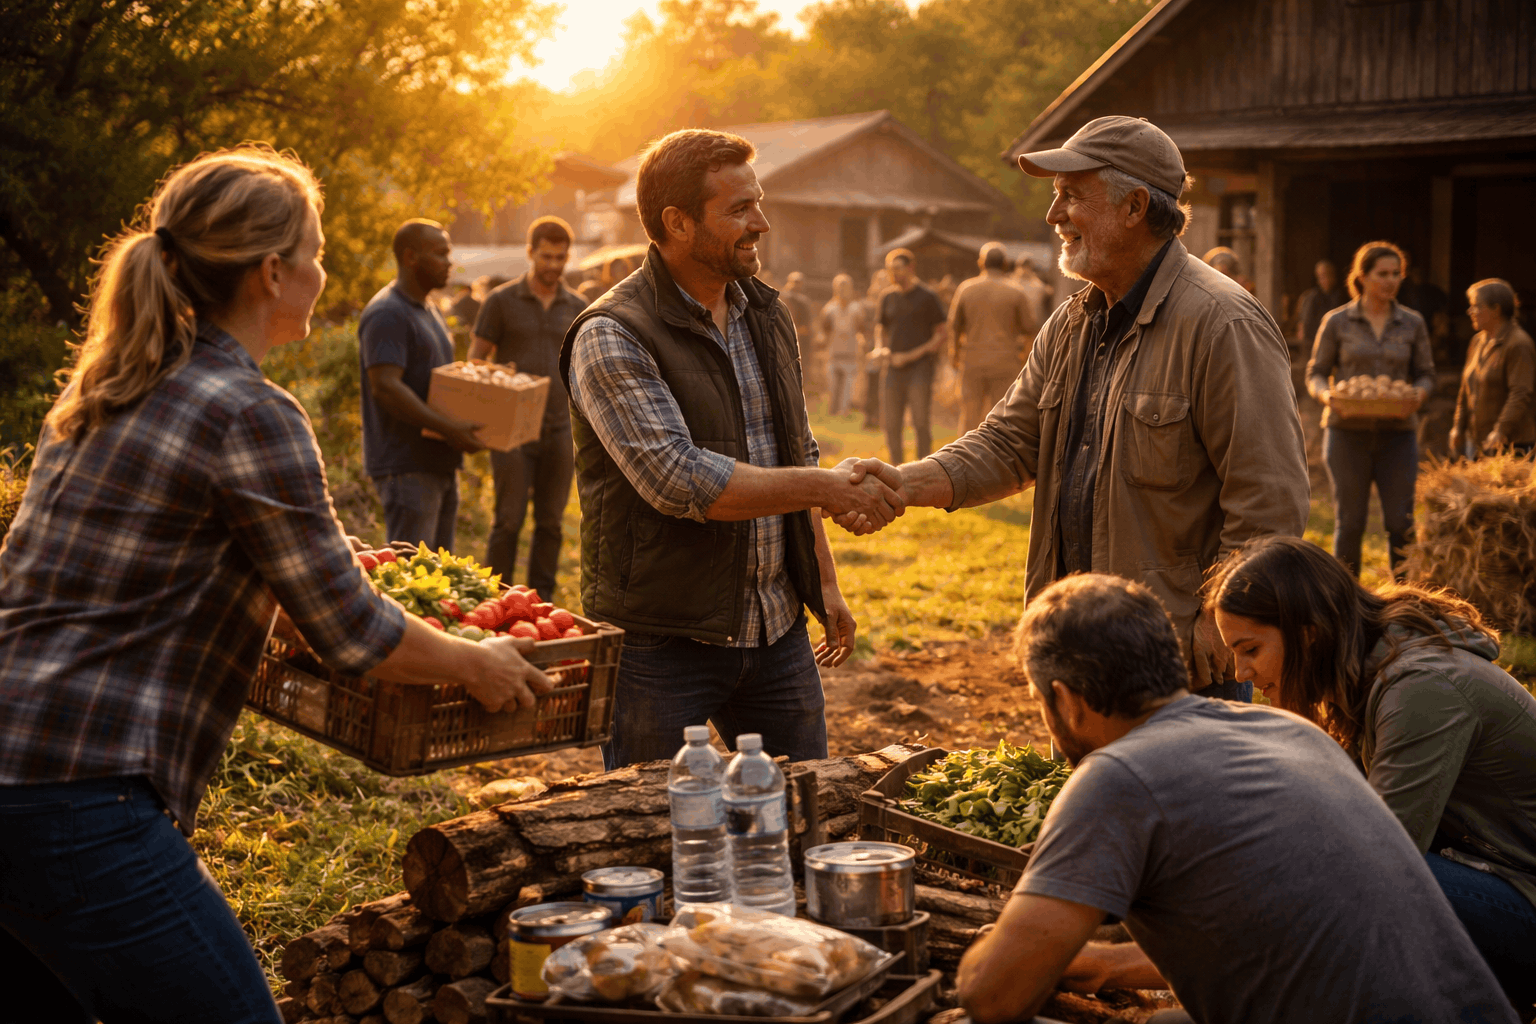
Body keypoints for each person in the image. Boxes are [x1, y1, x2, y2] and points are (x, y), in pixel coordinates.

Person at [0, 147, 551, 1023]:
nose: (322, 272)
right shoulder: (248, 410)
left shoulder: (103, 389)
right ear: (271, 273)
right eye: (316, 252)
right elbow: (353, 632)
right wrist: (477, 663)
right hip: (78, 798)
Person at [846, 116, 1310, 694]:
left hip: (1172, 653)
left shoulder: (1222, 323)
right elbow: (1008, 442)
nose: (1053, 215)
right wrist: (901, 484)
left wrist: (1223, 620)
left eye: (1070, 195)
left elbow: (1270, 499)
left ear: (1135, 207)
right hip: (1073, 639)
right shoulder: (1072, 321)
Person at [953, 573, 1517, 1024]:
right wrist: (1109, 964)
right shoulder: (1289, 732)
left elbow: (993, 998)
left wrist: (983, 952)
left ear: (1066, 700)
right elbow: (1282, 932)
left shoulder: (1118, 776)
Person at [560, 129, 906, 769]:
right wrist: (828, 488)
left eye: (759, 203)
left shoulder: (767, 315)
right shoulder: (612, 334)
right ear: (678, 223)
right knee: (654, 820)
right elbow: (679, 480)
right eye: (740, 209)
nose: (761, 223)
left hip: (776, 629)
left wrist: (824, 583)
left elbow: (795, 452)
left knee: (799, 810)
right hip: (663, 641)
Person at [1208, 535, 1536, 1012]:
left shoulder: (1421, 688)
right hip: (1488, 876)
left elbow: (1379, 859)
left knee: (1355, 880)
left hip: (1523, 894)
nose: (1242, 672)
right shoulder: (1367, 674)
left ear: (1308, 633)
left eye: (1251, 649)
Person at [469, 216, 586, 601]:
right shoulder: (500, 301)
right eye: (546, 257)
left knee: (551, 524)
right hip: (513, 429)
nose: (553, 265)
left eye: (560, 258)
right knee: (508, 520)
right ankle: (493, 599)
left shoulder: (579, 307)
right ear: (530, 252)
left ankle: (541, 605)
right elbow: (476, 361)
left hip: (560, 428)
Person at [1306, 240, 1435, 576]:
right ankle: (1346, 596)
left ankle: (1405, 596)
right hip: (1346, 433)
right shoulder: (1337, 321)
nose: (1391, 281)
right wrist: (1328, 396)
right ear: (1362, 277)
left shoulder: (1412, 323)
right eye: (1382, 274)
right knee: (1349, 523)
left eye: (1396, 274)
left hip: (1398, 434)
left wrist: (1418, 395)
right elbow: (1316, 373)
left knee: (1401, 523)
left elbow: (1426, 374)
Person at [359, 219, 484, 551]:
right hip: (407, 467)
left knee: (439, 574)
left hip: (439, 462)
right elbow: (386, 387)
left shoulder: (430, 310)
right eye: (440, 253)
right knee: (413, 572)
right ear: (410, 257)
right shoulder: (387, 313)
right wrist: (449, 428)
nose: (449, 262)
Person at [949, 242, 1037, 434]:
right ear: (1005, 264)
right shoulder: (1015, 291)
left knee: (970, 417)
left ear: (981, 263)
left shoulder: (966, 289)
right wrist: (1025, 358)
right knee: (1002, 419)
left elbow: (954, 327)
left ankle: (966, 453)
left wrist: (954, 355)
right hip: (1006, 362)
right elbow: (1030, 330)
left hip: (972, 361)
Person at [874, 249, 948, 463]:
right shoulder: (887, 297)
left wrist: (911, 355)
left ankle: (923, 469)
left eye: (897, 268)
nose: (893, 273)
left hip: (920, 368)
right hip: (892, 367)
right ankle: (895, 469)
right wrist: (881, 348)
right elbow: (880, 328)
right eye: (890, 269)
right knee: (891, 424)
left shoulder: (928, 297)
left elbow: (941, 334)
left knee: (920, 422)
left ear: (910, 268)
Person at [1451, 278, 1534, 459]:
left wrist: (1501, 430)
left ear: (1496, 309)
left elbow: (1520, 393)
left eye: (1475, 306)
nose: (1470, 311)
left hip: (1511, 446)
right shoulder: (1477, 342)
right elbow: (1465, 389)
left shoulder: (1518, 344)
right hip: (1479, 442)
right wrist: (1458, 426)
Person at [817, 273, 866, 416]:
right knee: (832, 386)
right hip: (833, 352)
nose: (842, 290)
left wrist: (862, 344)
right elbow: (824, 331)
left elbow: (861, 329)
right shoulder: (829, 309)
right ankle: (832, 412)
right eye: (840, 287)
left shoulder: (856, 309)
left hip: (851, 352)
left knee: (848, 387)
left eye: (845, 287)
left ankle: (844, 412)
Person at [782, 270, 820, 407]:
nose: (796, 285)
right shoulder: (782, 299)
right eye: (794, 282)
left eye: (798, 282)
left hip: (802, 343)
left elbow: (808, 326)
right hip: (784, 342)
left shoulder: (803, 301)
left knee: (801, 372)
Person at [857, 270, 890, 430]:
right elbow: (861, 327)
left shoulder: (892, 302)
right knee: (871, 384)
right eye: (880, 281)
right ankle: (870, 417)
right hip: (871, 348)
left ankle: (883, 418)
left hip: (888, 348)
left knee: (886, 385)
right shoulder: (867, 305)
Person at [1295, 257, 1346, 354]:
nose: (1325, 280)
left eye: (1328, 275)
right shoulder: (1312, 297)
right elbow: (1307, 324)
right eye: (1321, 276)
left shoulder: (1340, 297)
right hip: (1315, 343)